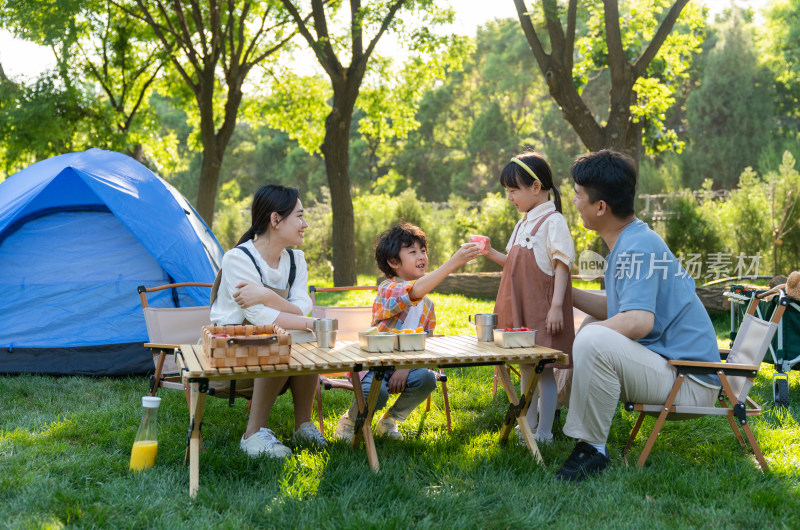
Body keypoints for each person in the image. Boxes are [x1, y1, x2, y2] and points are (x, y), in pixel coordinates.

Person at [556, 150, 720, 481]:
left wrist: (587, 336)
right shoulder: (630, 241)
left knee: (593, 336)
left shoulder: (638, 247)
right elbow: (618, 310)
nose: (574, 202)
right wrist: (561, 293)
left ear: (600, 207)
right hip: (672, 369)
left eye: (578, 195)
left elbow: (638, 321)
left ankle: (592, 450)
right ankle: (554, 415)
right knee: (591, 327)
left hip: (690, 381)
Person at [210, 184, 327, 458]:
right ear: (275, 220)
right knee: (280, 338)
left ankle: (303, 425)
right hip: (227, 350)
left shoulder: (295, 259)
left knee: (300, 339)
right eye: (299, 216)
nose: (305, 224)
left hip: (269, 345)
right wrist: (307, 322)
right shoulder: (238, 258)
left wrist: (266, 295)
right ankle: (252, 434)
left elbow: (302, 307)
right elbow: (258, 317)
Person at [334, 223, 480, 442]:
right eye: (412, 252)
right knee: (378, 392)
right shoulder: (388, 289)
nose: (421, 256)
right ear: (393, 262)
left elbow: (424, 342)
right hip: (376, 364)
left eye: (423, 250)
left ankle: (389, 420)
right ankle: (351, 420)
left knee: (427, 378)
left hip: (405, 365)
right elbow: (413, 291)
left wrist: (407, 366)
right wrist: (453, 263)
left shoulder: (428, 305)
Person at [478, 152, 575, 445]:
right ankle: (528, 424)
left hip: (542, 309)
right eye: (508, 191)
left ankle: (544, 431)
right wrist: (489, 251)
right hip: (519, 307)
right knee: (524, 367)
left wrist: (557, 306)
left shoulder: (553, 221)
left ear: (535, 187)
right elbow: (513, 262)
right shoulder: (523, 223)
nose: (510, 197)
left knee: (543, 371)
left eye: (513, 190)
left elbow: (562, 265)